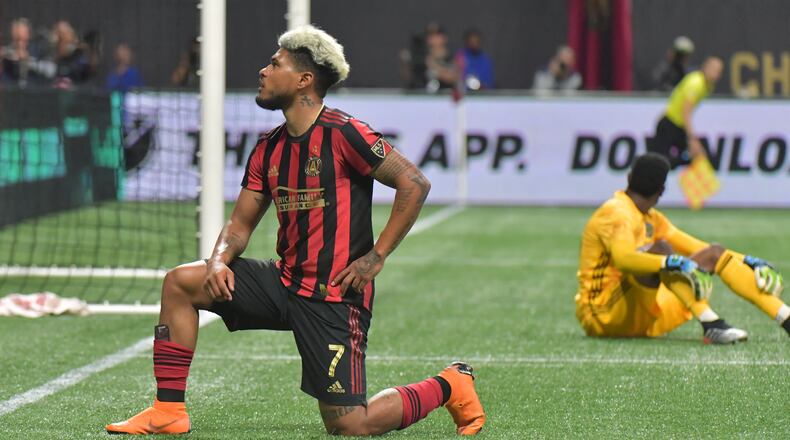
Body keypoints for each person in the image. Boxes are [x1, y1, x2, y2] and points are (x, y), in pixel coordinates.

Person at [105, 25, 485, 436]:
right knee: (181, 283)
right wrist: (218, 261)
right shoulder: (268, 147)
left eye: (275, 64)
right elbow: (240, 223)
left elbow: (414, 182)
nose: (263, 71)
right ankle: (168, 411)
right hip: (283, 284)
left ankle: (450, 385)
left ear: (304, 80)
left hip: (334, 297)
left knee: (351, 425)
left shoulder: (345, 133)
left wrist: (376, 256)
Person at [575, 153, 789, 344]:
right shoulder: (617, 212)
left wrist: (749, 260)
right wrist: (670, 261)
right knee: (662, 251)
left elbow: (700, 248)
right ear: (662, 190)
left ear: (629, 178)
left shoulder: (651, 218)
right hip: (603, 314)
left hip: (638, 312)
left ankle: (784, 316)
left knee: (714, 253)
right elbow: (623, 259)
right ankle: (710, 323)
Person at [648, 56, 723, 168]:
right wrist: (692, 139)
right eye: (713, 69)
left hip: (678, 126)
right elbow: (686, 112)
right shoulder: (696, 83)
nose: (715, 73)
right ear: (705, 67)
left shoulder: (708, 86)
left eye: (718, 71)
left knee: (696, 156)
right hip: (668, 125)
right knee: (659, 164)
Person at [0, 18, 55, 86]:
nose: (19, 43)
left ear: (28, 34)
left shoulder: (37, 49)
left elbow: (51, 71)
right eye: (16, 39)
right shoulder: (8, 51)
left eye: (22, 39)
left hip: (33, 91)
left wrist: (28, 61)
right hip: (12, 90)